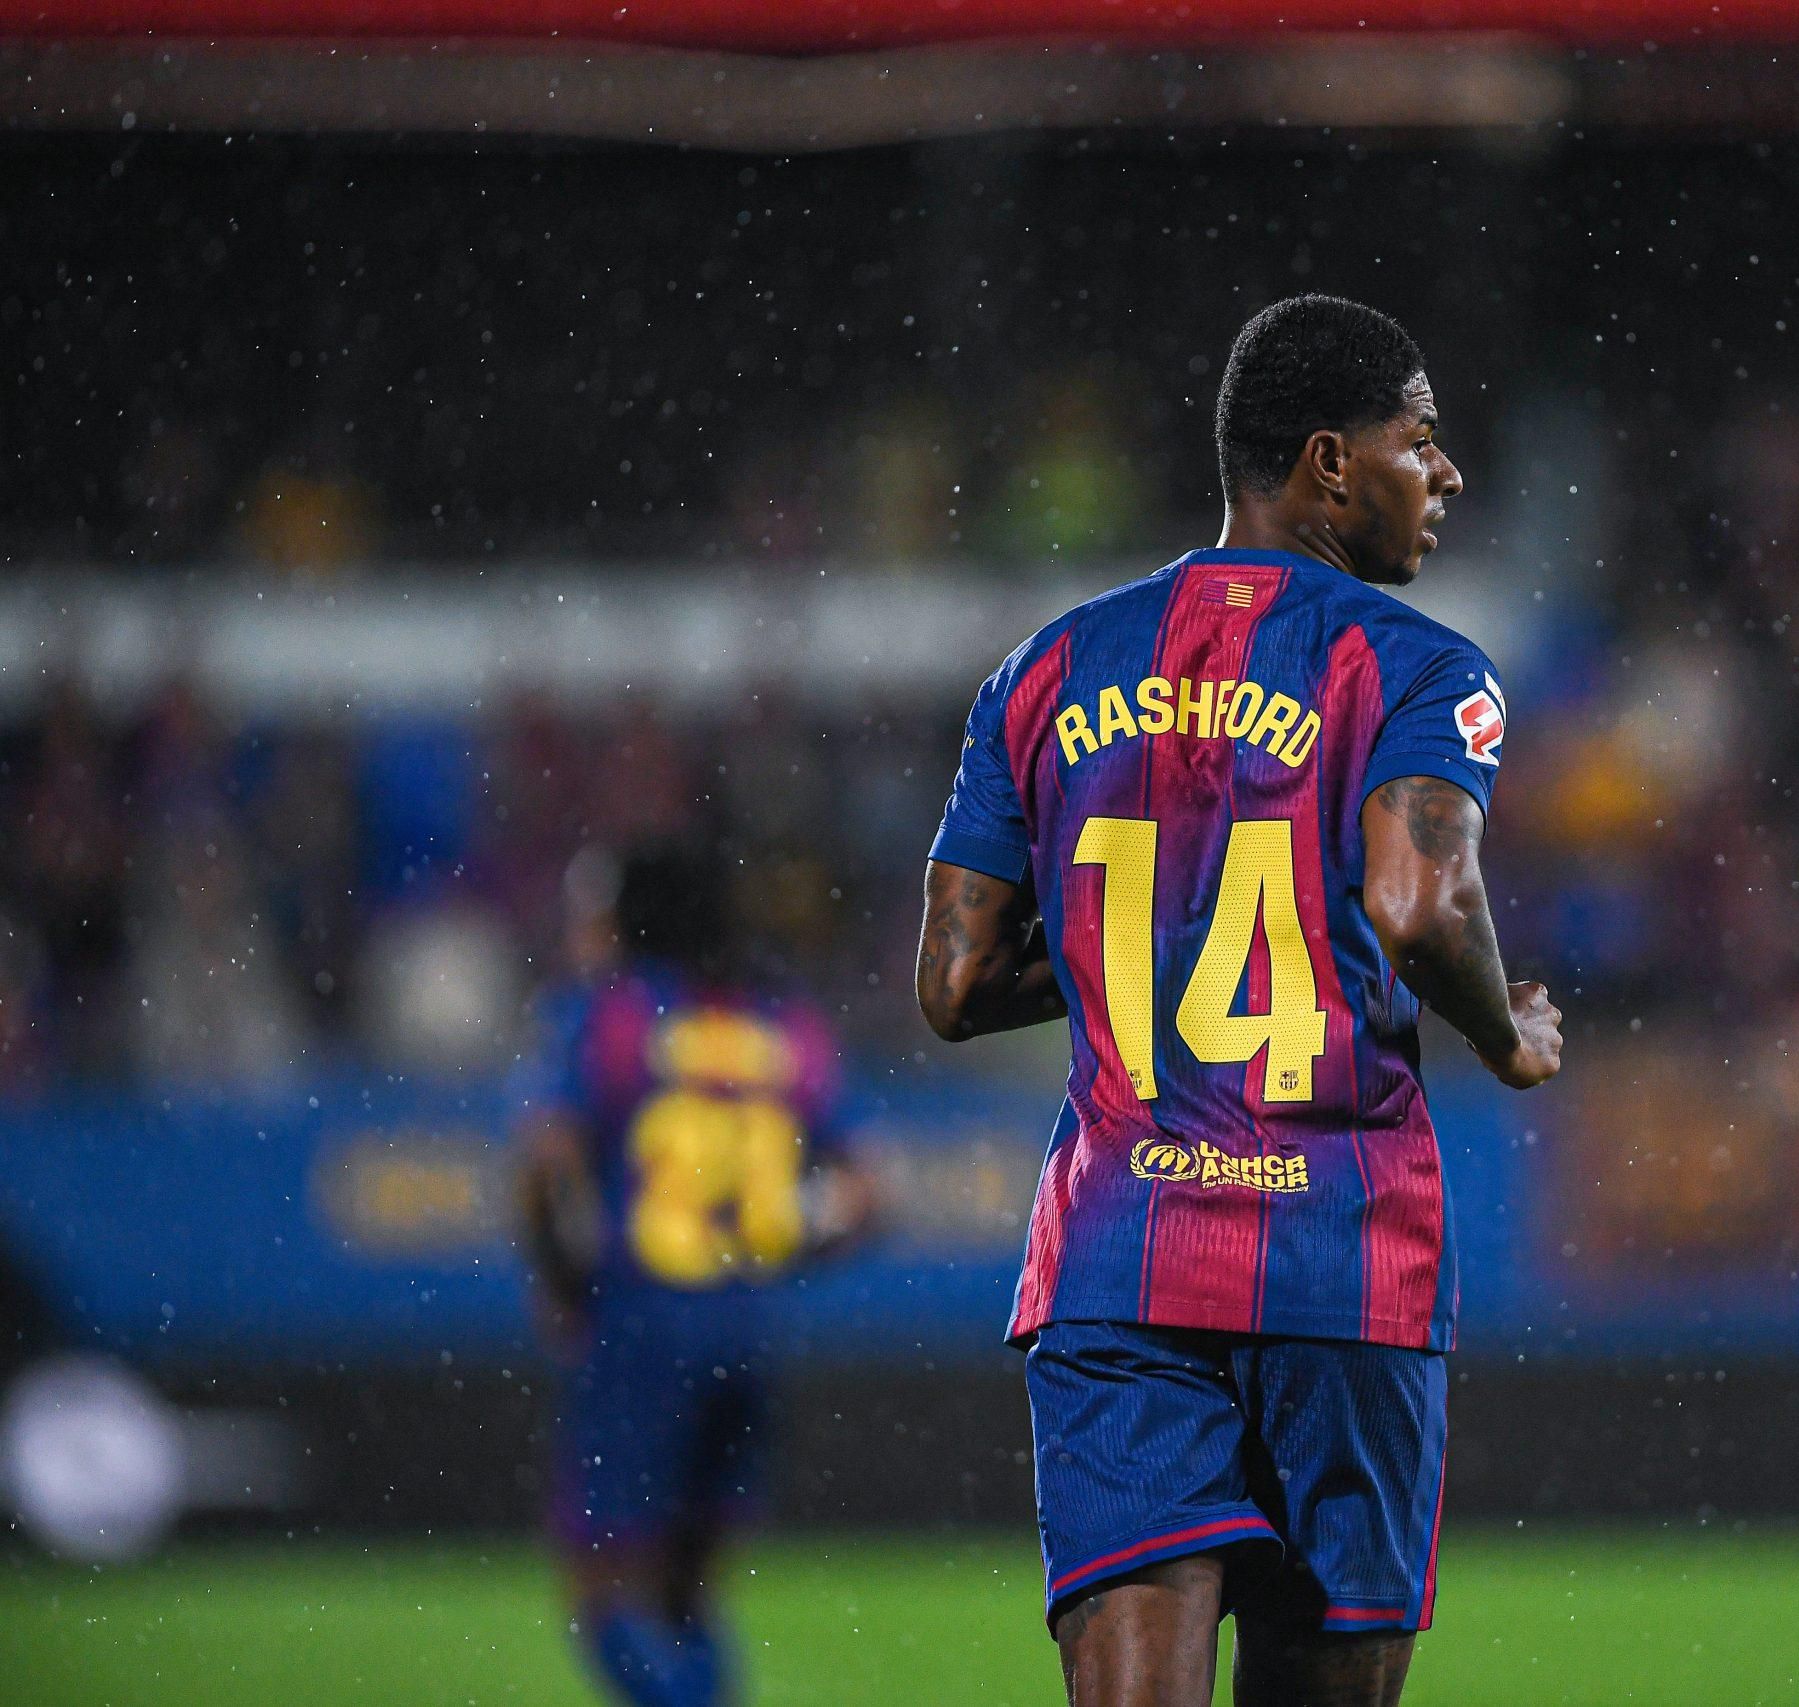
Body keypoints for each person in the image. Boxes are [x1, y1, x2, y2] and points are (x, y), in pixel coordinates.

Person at [916, 294, 1563, 1707]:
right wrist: (1505, 1033)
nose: (1447, 474)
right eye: (1420, 440)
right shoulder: (1420, 666)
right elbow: (1419, 901)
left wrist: (1152, 921)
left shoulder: (1045, 670)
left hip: (1118, 1261)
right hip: (1341, 1261)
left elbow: (953, 983)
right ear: (1330, 462)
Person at [517, 842, 873, 1707]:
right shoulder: (779, 1022)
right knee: (688, 1590)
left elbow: (545, 1163)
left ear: (630, 921)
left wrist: (563, 1283)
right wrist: (776, 1244)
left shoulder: (609, 1015)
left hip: (640, 1320)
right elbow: (864, 1194)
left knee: (603, 1589)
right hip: (746, 1329)